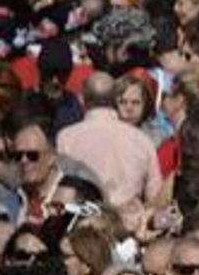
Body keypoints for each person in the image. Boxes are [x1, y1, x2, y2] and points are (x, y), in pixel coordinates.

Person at [56, 72, 167, 230]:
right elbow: (156, 199)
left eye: (136, 103)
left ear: (82, 99)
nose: (129, 108)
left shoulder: (66, 138)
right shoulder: (143, 141)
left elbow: (57, 190)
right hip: (127, 232)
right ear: (115, 99)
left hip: (82, 229)